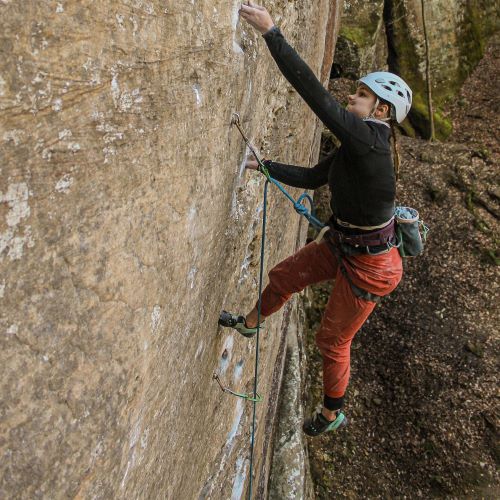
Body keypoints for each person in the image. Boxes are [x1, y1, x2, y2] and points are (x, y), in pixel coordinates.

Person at [219, 1, 413, 437]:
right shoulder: (356, 148)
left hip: (374, 267)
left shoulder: (370, 142)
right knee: (284, 275)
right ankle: (250, 323)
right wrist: (263, 166)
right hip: (345, 243)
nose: (351, 98)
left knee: (332, 340)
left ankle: (331, 413)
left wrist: (273, 33)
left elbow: (317, 98)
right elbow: (312, 176)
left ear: (381, 111)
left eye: (361, 95)